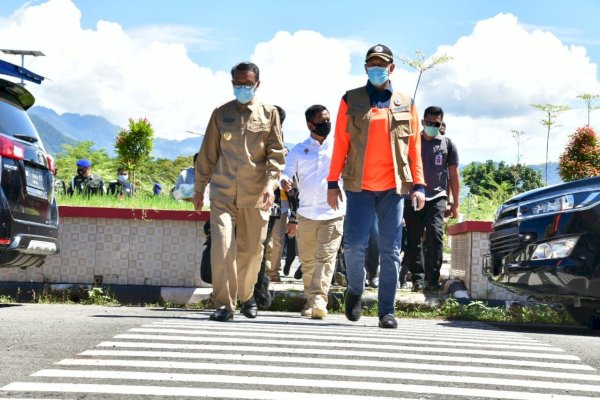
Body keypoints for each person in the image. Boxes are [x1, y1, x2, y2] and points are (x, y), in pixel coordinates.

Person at [327, 44, 425, 329]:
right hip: (359, 186)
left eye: (381, 64)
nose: (376, 68)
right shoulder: (351, 99)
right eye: (371, 64)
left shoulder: (406, 102)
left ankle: (386, 310)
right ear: (365, 67)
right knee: (355, 245)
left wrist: (418, 185)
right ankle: (355, 291)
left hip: (393, 188)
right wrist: (333, 182)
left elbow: (414, 148)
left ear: (391, 68)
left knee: (390, 250)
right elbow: (341, 144)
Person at [192, 61, 285, 322]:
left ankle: (247, 296)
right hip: (222, 194)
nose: (242, 88)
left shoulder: (270, 114)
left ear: (257, 84)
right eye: (237, 84)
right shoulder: (221, 114)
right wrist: (199, 189)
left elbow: (275, 154)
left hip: (256, 196)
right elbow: (207, 155)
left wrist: (270, 184)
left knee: (252, 252)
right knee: (222, 248)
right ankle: (224, 304)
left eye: (247, 84)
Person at [281, 104, 345, 319]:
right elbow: (286, 173)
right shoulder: (299, 150)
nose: (327, 124)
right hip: (306, 213)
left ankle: (319, 300)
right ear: (310, 124)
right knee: (308, 260)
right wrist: (285, 181)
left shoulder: (340, 148)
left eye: (328, 120)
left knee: (325, 258)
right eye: (322, 121)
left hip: (333, 213)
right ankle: (311, 300)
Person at [402, 106, 460, 292]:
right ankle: (417, 279)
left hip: (437, 196)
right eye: (429, 123)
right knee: (414, 238)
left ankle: (432, 280)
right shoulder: (412, 142)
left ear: (441, 123)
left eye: (437, 124)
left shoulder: (447, 145)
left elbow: (453, 175)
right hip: (413, 196)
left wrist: (454, 204)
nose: (432, 126)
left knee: (435, 236)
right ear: (422, 121)